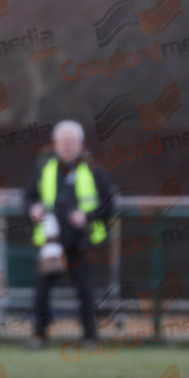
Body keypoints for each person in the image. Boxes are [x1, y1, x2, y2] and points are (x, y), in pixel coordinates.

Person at [24, 121, 115, 348]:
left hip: (81, 240)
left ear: (80, 143)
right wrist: (33, 209)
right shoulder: (44, 167)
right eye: (62, 141)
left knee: (85, 290)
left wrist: (88, 216)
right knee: (43, 290)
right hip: (51, 240)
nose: (66, 146)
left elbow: (109, 203)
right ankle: (39, 334)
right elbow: (27, 198)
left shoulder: (93, 169)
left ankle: (89, 336)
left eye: (71, 141)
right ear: (55, 144)